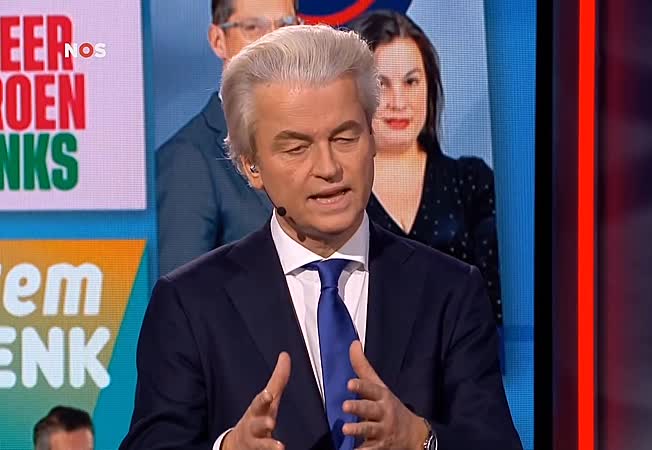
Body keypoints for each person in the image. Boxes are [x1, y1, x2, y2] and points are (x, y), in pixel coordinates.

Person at [122, 24, 521, 450]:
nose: (329, 168)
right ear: (251, 166)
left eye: (345, 138)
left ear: (372, 139)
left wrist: (421, 439)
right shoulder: (189, 304)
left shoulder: (450, 292)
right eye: (296, 148)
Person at [348, 11, 504, 325]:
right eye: (380, 84)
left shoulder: (470, 182)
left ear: (429, 86)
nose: (398, 101)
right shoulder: (332, 188)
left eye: (411, 82)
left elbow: (499, 305)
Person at [157, 0, 301, 276]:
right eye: (253, 27)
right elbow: (182, 293)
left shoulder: (321, 138)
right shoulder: (187, 159)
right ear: (218, 40)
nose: (275, 42)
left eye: (286, 26)